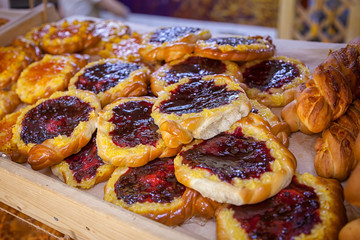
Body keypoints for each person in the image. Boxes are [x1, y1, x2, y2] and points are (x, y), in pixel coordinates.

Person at [58, 0, 129, 19]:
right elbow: (119, 10)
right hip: (88, 33)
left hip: (70, 31)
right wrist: (125, 12)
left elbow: (62, 13)